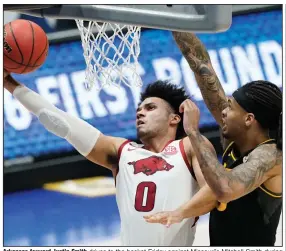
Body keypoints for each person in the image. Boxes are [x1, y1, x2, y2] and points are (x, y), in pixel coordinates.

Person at [4, 70, 217, 246]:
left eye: (150, 108)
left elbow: (214, 191)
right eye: (139, 109)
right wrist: (9, 83)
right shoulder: (122, 151)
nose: (140, 113)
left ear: (174, 119)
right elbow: (58, 121)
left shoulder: (189, 145)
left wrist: (178, 214)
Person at [144, 32, 282, 246]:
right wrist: (174, 22)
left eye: (230, 107)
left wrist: (193, 131)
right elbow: (201, 64)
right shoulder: (237, 135)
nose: (223, 111)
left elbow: (225, 189)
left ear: (249, 119)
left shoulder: (272, 156)